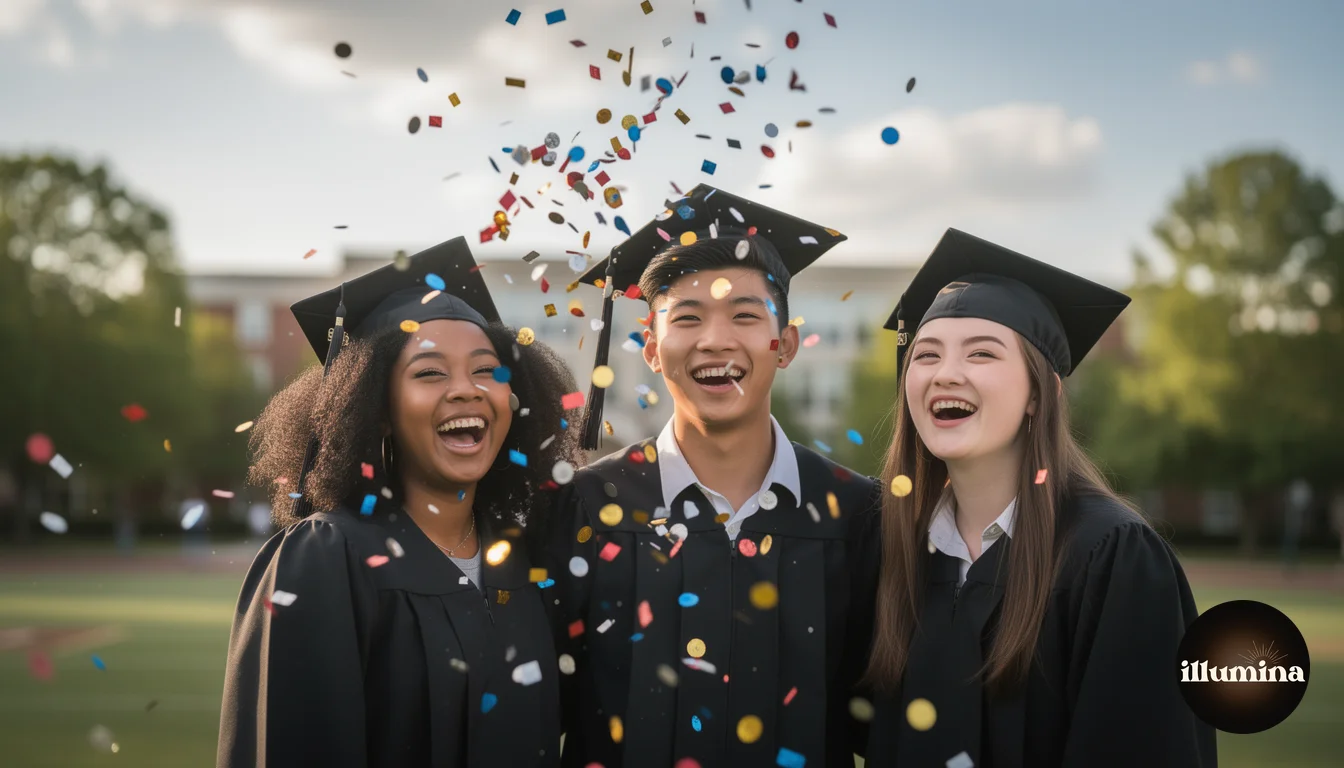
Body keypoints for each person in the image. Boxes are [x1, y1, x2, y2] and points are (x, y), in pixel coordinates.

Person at [849, 229, 1218, 767]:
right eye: (926, 355)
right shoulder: (894, 549)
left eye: (981, 353)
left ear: (1039, 393)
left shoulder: (1112, 557)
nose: (945, 374)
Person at [542, 185, 880, 767]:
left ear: (787, 345)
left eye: (745, 316)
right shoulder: (590, 507)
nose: (715, 340)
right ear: (650, 347)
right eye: (688, 318)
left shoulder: (856, 514)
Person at [217, 238, 583, 767]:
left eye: (487, 370)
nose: (467, 390)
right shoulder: (327, 557)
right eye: (430, 373)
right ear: (376, 408)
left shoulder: (527, 561)